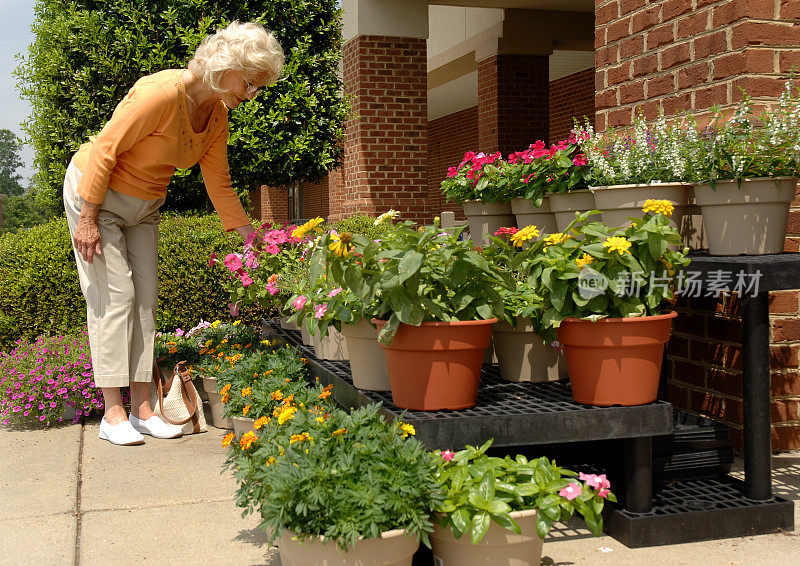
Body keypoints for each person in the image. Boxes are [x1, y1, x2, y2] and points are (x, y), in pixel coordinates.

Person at [63, 21, 284, 445]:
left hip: (145, 205)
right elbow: (106, 149)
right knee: (115, 297)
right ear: (228, 64)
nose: (252, 93)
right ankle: (113, 414)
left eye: (259, 86)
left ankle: (144, 409)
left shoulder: (217, 115)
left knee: (145, 298)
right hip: (97, 195)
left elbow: (219, 183)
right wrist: (88, 218)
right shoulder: (160, 93)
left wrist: (251, 239)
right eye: (250, 81)